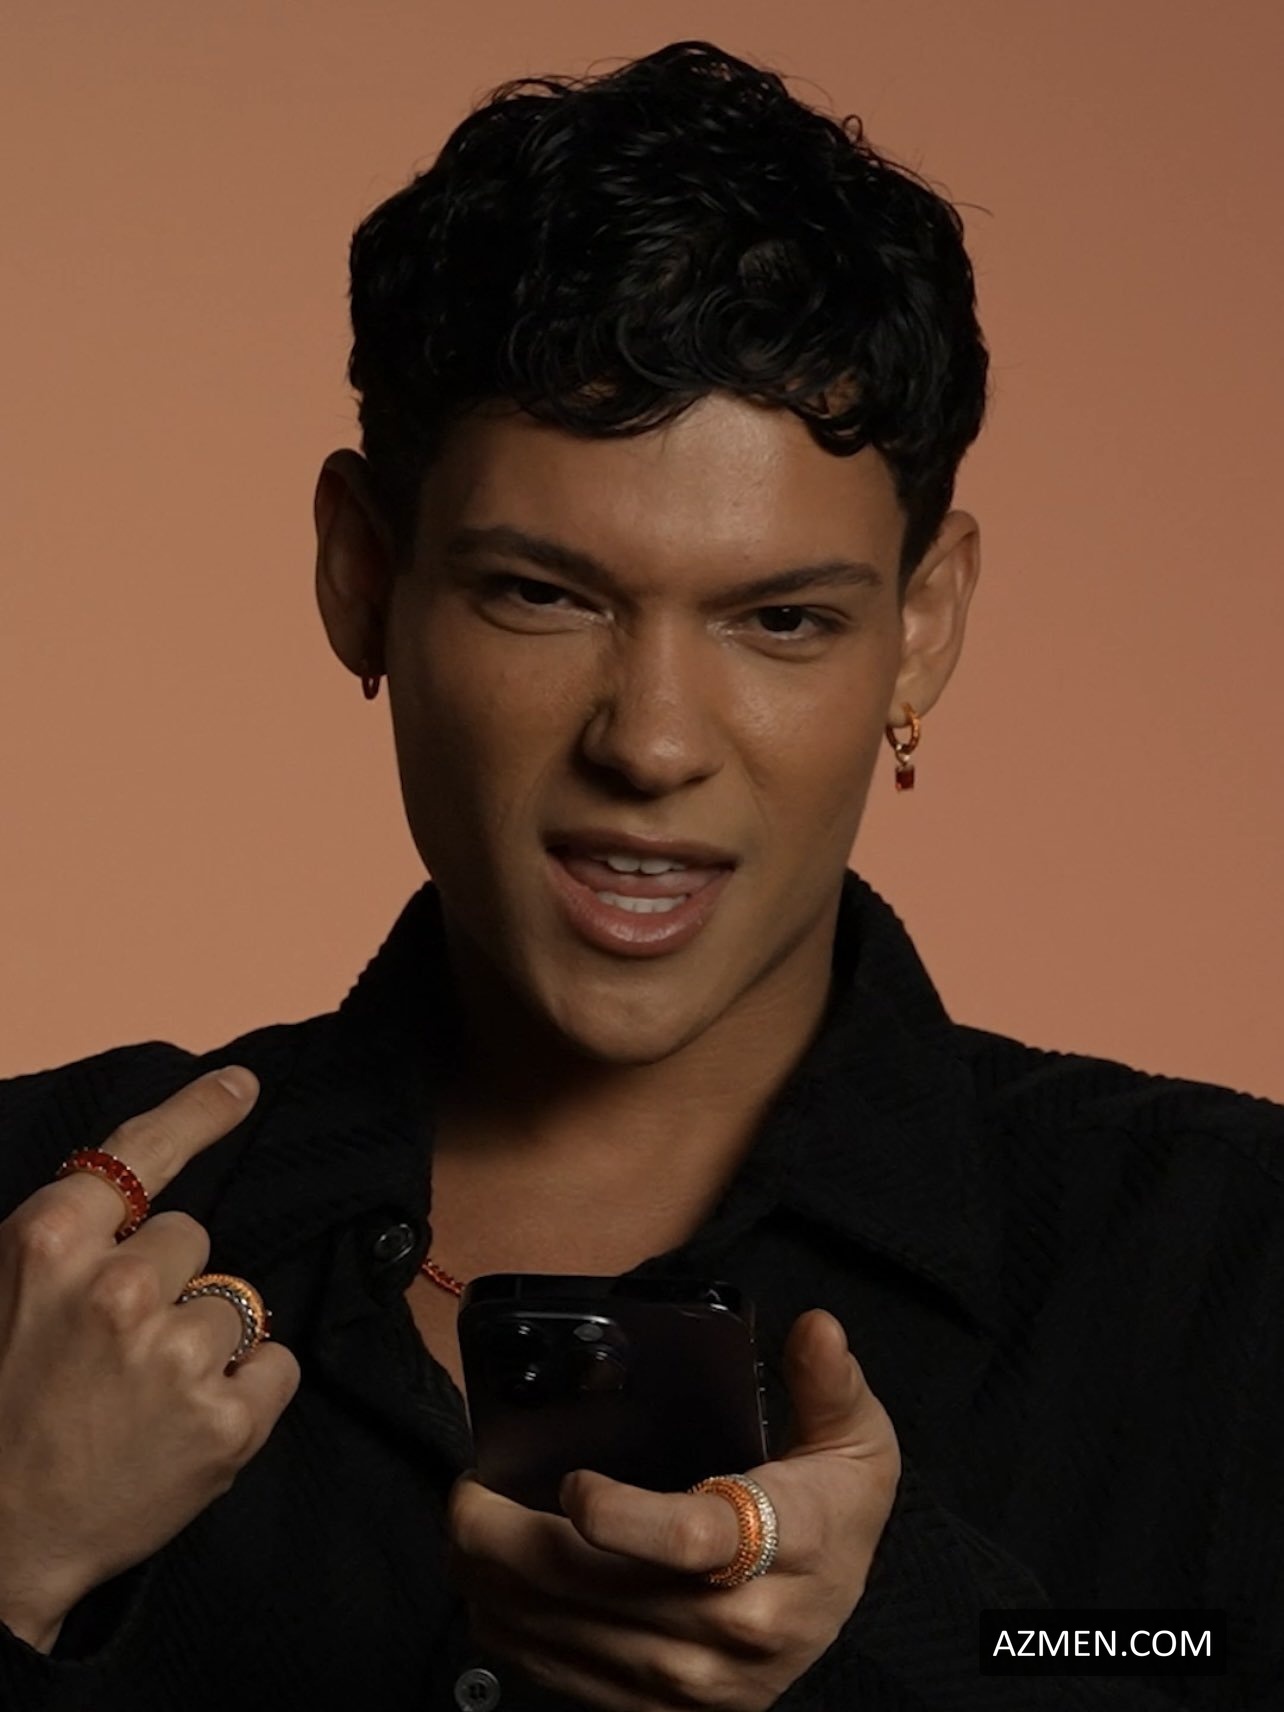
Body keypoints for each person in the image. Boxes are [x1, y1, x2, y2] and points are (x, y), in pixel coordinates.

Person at [0, 37, 1279, 1712]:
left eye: (782, 619)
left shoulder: (1226, 1261)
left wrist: (897, 1643)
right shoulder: (29, 1228)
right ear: (365, 576)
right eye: (545, 595)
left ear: (923, 629)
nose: (655, 742)